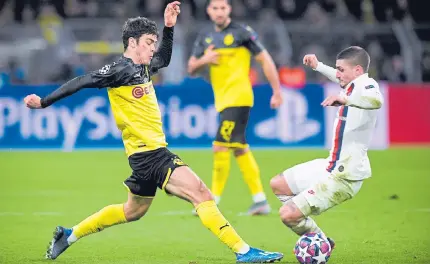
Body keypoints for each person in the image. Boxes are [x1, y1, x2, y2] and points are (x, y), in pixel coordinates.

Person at [23, 2, 283, 263]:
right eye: (149, 42)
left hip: (142, 156)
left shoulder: (144, 68)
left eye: (154, 42)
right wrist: (44, 102)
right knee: (202, 193)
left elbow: (164, 59)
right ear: (133, 42)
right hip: (152, 154)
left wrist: (169, 27)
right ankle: (244, 252)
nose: (152, 47)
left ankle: (68, 236)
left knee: (132, 211)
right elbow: (81, 81)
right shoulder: (119, 70)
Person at [269, 46, 383, 249]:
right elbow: (338, 78)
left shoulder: (367, 84)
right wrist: (319, 66)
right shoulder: (351, 85)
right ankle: (323, 241)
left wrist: (345, 99)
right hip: (331, 165)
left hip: (345, 176)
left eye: (341, 69)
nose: (337, 74)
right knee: (278, 184)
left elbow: (376, 100)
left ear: (357, 70)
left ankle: (318, 243)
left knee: (287, 214)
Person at [187, 0, 283, 215]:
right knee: (239, 148)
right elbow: (191, 68)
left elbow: (265, 60)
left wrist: (277, 91)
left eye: (223, 8)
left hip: (239, 97)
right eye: (215, 8)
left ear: (229, 9)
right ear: (209, 11)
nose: (219, 12)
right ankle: (260, 200)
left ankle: (211, 201)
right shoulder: (204, 36)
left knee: (220, 146)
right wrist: (205, 59)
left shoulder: (242, 33)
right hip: (222, 100)